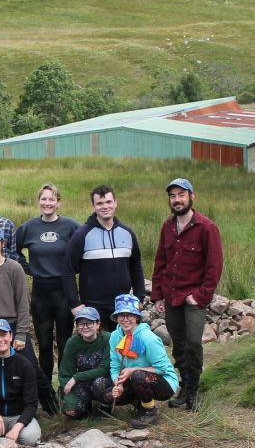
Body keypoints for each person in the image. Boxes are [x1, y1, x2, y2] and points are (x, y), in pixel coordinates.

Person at [0, 225, 58, 414]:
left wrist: (22, 333)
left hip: (13, 326)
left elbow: (23, 303)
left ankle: (54, 408)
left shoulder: (14, 268)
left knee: (31, 367)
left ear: (3, 243)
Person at [151, 177, 223, 410]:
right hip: (171, 296)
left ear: (192, 196)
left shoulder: (207, 227)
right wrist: (158, 295)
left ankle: (194, 389)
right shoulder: (168, 227)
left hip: (193, 298)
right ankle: (183, 386)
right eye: (173, 196)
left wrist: (201, 295)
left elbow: (214, 266)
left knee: (193, 343)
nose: (177, 200)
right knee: (179, 344)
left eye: (181, 195)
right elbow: (161, 261)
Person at [14, 183, 80, 389]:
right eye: (44, 199)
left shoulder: (71, 226)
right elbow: (13, 251)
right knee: (43, 345)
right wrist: (29, 268)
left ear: (58, 202)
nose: (47, 203)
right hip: (40, 293)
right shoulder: (28, 227)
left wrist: (73, 269)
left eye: (52, 199)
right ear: (39, 202)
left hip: (64, 292)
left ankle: (64, 387)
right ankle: (46, 391)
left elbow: (84, 249)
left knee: (65, 343)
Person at [65, 185, 146, 331]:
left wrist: (139, 297)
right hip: (94, 307)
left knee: (123, 350)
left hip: (124, 307)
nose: (105, 207)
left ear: (115, 203)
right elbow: (68, 270)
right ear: (93, 205)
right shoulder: (81, 235)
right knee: (100, 352)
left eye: (108, 202)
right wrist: (74, 304)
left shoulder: (128, 233)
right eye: (100, 203)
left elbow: (136, 266)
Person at [97, 294, 178, 429]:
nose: (125, 319)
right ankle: (138, 401)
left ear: (136, 317)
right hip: (132, 379)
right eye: (121, 315)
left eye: (130, 315)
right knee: (106, 395)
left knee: (138, 376)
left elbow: (162, 369)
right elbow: (115, 366)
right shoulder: (114, 337)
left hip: (164, 383)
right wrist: (119, 383)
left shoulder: (149, 338)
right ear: (116, 318)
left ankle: (149, 410)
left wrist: (132, 370)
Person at [58, 307, 113, 419]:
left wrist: (77, 377)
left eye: (89, 323)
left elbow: (105, 369)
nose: (85, 327)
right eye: (81, 324)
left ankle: (105, 407)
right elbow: (65, 373)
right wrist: (70, 402)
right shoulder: (72, 343)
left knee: (99, 383)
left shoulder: (108, 338)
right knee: (73, 412)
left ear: (97, 324)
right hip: (83, 383)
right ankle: (86, 407)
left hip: (104, 381)